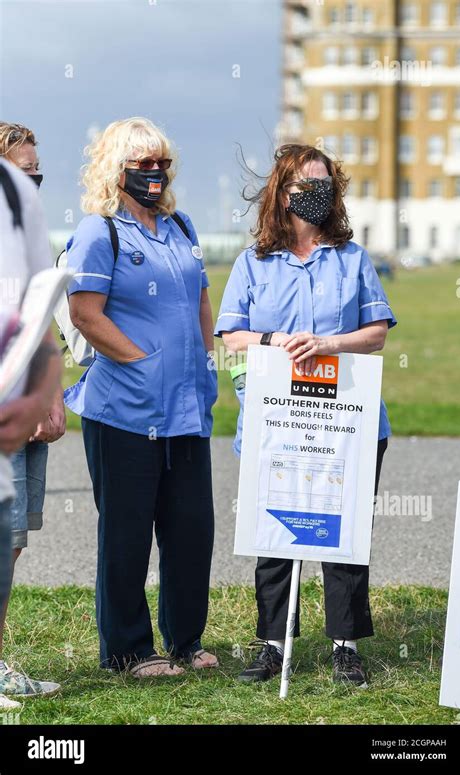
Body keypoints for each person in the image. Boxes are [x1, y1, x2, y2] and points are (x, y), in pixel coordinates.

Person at [215, 143, 397, 686]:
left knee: (344, 534)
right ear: (281, 193)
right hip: (277, 424)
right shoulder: (254, 261)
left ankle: (345, 645)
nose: (314, 194)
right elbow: (231, 335)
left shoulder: (352, 258)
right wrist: (274, 339)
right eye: (303, 186)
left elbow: (377, 333)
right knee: (275, 532)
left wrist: (328, 344)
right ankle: (273, 642)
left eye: (324, 185)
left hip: (347, 423)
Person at [64, 117, 218, 678]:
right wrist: (141, 361)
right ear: (116, 168)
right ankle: (128, 650)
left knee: (191, 529)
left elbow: (202, 300)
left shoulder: (182, 226)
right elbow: (85, 313)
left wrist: (204, 361)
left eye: (161, 163)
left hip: (186, 409)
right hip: (123, 411)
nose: (154, 173)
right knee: (127, 534)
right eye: (142, 164)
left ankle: (184, 640)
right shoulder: (98, 231)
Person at [0, 124, 65, 701]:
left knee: (12, 539)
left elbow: (43, 319)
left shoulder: (28, 234)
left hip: (28, 411)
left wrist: (54, 395)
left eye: (37, 172)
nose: (34, 183)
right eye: (24, 171)